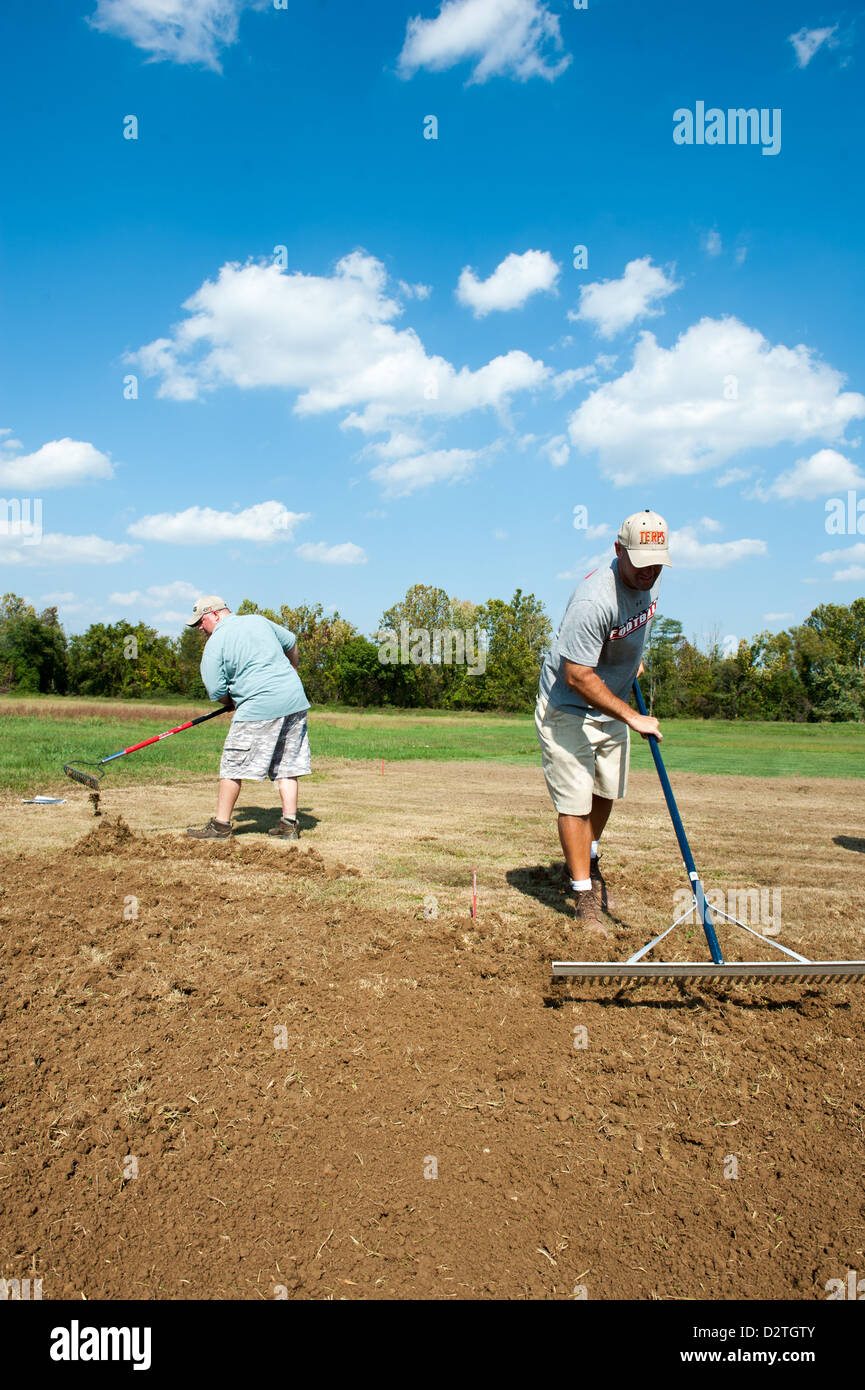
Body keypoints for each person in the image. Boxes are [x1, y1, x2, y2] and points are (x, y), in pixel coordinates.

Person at [535, 510, 672, 927]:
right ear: (618, 550)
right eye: (641, 562)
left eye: (658, 563)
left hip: (610, 694)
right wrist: (635, 717)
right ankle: (584, 896)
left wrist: (633, 662)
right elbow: (577, 675)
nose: (650, 572)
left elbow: (629, 629)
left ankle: (582, 857)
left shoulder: (649, 582)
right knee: (575, 799)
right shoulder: (595, 599)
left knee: (605, 791)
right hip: (569, 704)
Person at [184, 596, 311, 841]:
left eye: (201, 621)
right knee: (287, 763)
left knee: (233, 764)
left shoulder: (215, 643)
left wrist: (231, 702)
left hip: (257, 706)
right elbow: (291, 642)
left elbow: (216, 691)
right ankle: (289, 823)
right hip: (294, 700)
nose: (200, 627)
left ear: (216, 613)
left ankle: (220, 826)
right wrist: (293, 672)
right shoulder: (258, 620)